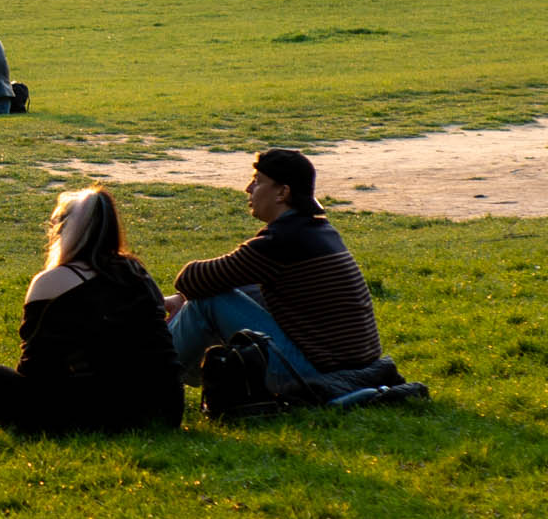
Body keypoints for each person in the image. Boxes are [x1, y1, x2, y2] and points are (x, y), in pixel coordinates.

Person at [0, 188, 185, 435]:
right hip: (167, 408)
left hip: (108, 415)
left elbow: (36, 369)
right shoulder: (137, 272)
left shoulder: (53, 281)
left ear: (61, 231)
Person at [163, 149, 384, 394]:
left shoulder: (280, 241)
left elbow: (191, 278)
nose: (248, 189)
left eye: (257, 182)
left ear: (282, 192)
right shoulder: (317, 230)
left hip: (311, 374)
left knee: (210, 301)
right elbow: (223, 281)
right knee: (230, 290)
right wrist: (183, 299)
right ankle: (177, 373)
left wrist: (187, 295)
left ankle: (143, 372)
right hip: (347, 367)